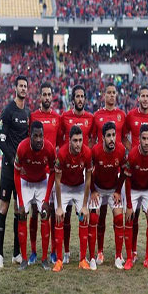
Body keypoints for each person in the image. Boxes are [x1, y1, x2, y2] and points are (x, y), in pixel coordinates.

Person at [0, 75, 30, 269]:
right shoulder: (7, 111)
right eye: (21, 86)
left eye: (26, 86)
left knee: (20, 210)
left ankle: (16, 253)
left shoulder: (27, 113)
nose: (23, 89)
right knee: (4, 208)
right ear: (15, 88)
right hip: (9, 169)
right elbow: (1, 140)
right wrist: (13, 159)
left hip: (22, 171)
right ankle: (0, 254)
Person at [123, 85, 148, 263]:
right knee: (133, 216)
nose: (145, 99)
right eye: (142, 96)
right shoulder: (130, 115)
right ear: (138, 98)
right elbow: (123, 136)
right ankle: (132, 252)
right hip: (135, 166)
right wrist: (133, 152)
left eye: (147, 96)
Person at [58, 84, 94, 264]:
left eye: (82, 96)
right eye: (77, 96)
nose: (80, 99)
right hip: (65, 175)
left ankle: (83, 256)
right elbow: (59, 140)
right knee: (64, 217)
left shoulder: (90, 118)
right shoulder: (64, 117)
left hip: (81, 175)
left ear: (85, 99)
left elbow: (94, 139)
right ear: (73, 100)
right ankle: (65, 252)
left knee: (83, 215)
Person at [13, 121, 56, 271]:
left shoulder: (49, 148)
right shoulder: (22, 148)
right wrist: (20, 201)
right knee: (22, 215)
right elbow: (16, 173)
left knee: (45, 215)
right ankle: (24, 259)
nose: (38, 139)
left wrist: (46, 199)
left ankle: (44, 259)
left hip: (42, 182)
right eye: (35, 136)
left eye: (41, 136)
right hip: (25, 183)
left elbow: (52, 172)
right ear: (30, 136)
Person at [92, 82, 126, 265]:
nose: (112, 95)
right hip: (99, 170)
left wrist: (132, 154)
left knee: (119, 215)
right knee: (100, 215)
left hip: (115, 171)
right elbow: (90, 138)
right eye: (109, 93)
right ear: (104, 95)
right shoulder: (97, 115)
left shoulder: (122, 115)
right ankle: (100, 252)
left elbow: (127, 137)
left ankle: (119, 255)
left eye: (114, 93)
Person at [29, 82, 61, 265]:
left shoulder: (58, 118)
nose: (47, 97)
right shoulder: (33, 116)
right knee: (35, 213)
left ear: (52, 96)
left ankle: (53, 252)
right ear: (40, 97)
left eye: (50, 94)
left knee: (51, 213)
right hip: (36, 173)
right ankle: (34, 251)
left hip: (52, 173)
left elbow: (63, 140)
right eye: (44, 94)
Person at [53, 125, 92, 272]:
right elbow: (57, 181)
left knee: (83, 216)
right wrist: (58, 206)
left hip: (80, 187)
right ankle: (58, 260)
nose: (78, 144)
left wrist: (84, 205)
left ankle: (82, 259)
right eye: (75, 140)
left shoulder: (87, 153)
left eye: (80, 140)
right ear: (69, 141)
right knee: (59, 218)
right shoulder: (62, 154)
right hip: (64, 187)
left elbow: (88, 179)